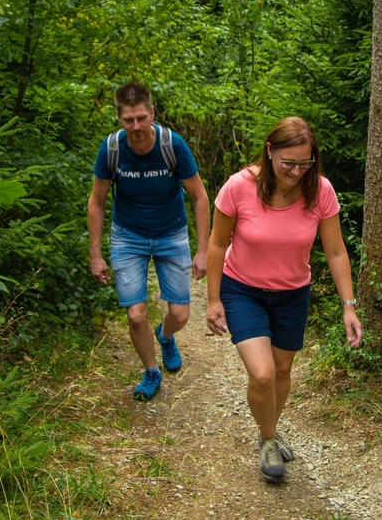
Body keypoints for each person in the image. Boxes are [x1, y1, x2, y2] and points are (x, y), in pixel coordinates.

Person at [206, 117, 362, 482]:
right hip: (242, 289)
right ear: (270, 151)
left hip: (293, 294)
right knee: (261, 374)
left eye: (304, 163)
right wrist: (214, 300)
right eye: (288, 162)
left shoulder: (320, 190)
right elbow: (217, 243)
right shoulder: (239, 187)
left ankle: (270, 430)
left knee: (281, 371)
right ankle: (267, 438)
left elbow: (336, 251)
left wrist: (348, 306)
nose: (295, 171)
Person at [88, 82, 210, 401]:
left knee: (181, 314)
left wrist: (203, 250)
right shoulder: (112, 149)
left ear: (152, 112)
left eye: (142, 117)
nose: (137, 126)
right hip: (129, 235)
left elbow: (199, 196)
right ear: (119, 117)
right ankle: (151, 371)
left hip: (171, 232)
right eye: (129, 120)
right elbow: (97, 202)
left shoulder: (173, 144)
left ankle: (166, 335)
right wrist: (95, 254)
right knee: (135, 314)